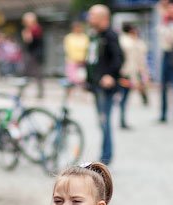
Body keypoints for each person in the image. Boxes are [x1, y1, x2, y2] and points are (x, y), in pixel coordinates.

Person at [85, 5, 123, 164]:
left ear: (103, 18)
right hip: (96, 86)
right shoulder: (94, 35)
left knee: (104, 121)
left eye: (92, 15)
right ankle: (104, 155)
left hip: (105, 88)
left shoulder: (110, 36)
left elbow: (119, 58)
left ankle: (106, 158)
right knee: (101, 122)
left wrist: (110, 75)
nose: (89, 18)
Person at [118, 23, 149, 129]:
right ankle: (122, 120)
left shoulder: (133, 41)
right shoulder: (127, 42)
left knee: (125, 96)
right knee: (124, 96)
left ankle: (122, 119)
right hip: (126, 73)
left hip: (131, 73)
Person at [21, 12, 46, 99]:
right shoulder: (35, 28)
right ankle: (24, 91)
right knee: (34, 74)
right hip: (34, 54)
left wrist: (26, 33)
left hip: (34, 54)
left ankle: (23, 91)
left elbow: (28, 40)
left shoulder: (34, 28)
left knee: (32, 73)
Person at [63, 21, 89, 87]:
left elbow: (87, 49)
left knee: (82, 79)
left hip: (83, 61)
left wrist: (84, 58)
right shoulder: (69, 37)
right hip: (72, 61)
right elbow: (68, 50)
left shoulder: (85, 37)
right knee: (71, 80)